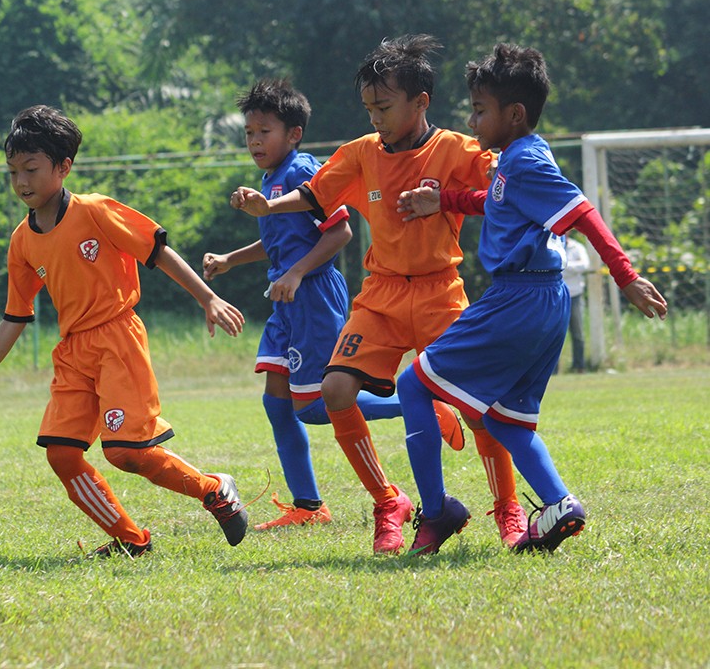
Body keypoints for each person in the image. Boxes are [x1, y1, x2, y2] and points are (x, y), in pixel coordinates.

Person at [233, 35, 525, 553]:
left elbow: (505, 192)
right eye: (369, 108)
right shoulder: (362, 154)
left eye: (384, 107)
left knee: (481, 407)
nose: (375, 119)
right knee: (336, 390)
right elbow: (314, 195)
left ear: (420, 102)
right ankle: (389, 502)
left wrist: (448, 200)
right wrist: (268, 209)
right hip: (382, 295)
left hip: (440, 292)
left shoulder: (456, 150)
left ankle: (508, 509)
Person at [395, 43, 667, 554]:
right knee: (503, 417)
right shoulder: (521, 157)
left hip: (516, 299)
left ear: (514, 114)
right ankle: (560, 504)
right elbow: (497, 197)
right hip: (546, 300)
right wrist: (445, 200)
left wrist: (624, 275)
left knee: (413, 386)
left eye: (480, 110)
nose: (472, 120)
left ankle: (437, 512)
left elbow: (583, 211)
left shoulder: (524, 164)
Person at [0, 105, 250, 558]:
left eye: (31, 169)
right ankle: (133, 541)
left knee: (127, 452)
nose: (21, 182)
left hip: (117, 339)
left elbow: (157, 251)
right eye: (13, 172)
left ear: (63, 167)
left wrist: (206, 297)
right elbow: (15, 315)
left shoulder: (94, 211)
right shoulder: (22, 241)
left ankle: (213, 489)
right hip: (73, 352)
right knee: (62, 455)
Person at [203, 78, 464, 531]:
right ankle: (308, 506)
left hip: (314, 296)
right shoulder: (271, 180)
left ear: (294, 134)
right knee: (278, 404)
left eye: (264, 131)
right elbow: (279, 241)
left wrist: (298, 273)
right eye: (249, 133)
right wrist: (231, 260)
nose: (255, 141)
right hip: (284, 300)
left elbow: (339, 233)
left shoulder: (305, 170)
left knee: (312, 404)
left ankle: (420, 404)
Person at [560, 234, 591, 373]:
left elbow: (584, 265)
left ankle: (579, 366)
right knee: (556, 335)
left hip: (575, 295)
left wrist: (565, 266)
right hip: (557, 296)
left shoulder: (577, 247)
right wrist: (571, 268)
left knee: (578, 333)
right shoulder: (553, 246)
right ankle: (553, 369)